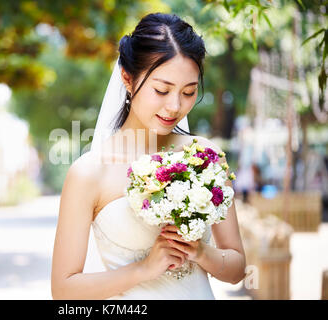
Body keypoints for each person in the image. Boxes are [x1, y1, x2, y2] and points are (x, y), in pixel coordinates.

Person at [51, 13, 246, 300]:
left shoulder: (205, 156)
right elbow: (64, 290)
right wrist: (144, 269)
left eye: (189, 92)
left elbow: (237, 268)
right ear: (128, 79)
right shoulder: (90, 172)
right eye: (162, 90)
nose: (175, 106)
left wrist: (201, 252)